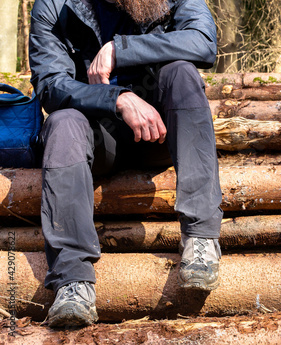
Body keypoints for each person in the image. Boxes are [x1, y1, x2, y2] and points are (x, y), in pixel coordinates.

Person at [29, 0, 223, 328]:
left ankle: (201, 237)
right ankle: (72, 281)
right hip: (94, 137)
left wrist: (122, 49)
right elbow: (50, 85)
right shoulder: (53, 5)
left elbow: (202, 42)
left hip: (160, 131)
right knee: (61, 123)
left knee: (182, 73)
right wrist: (118, 98)